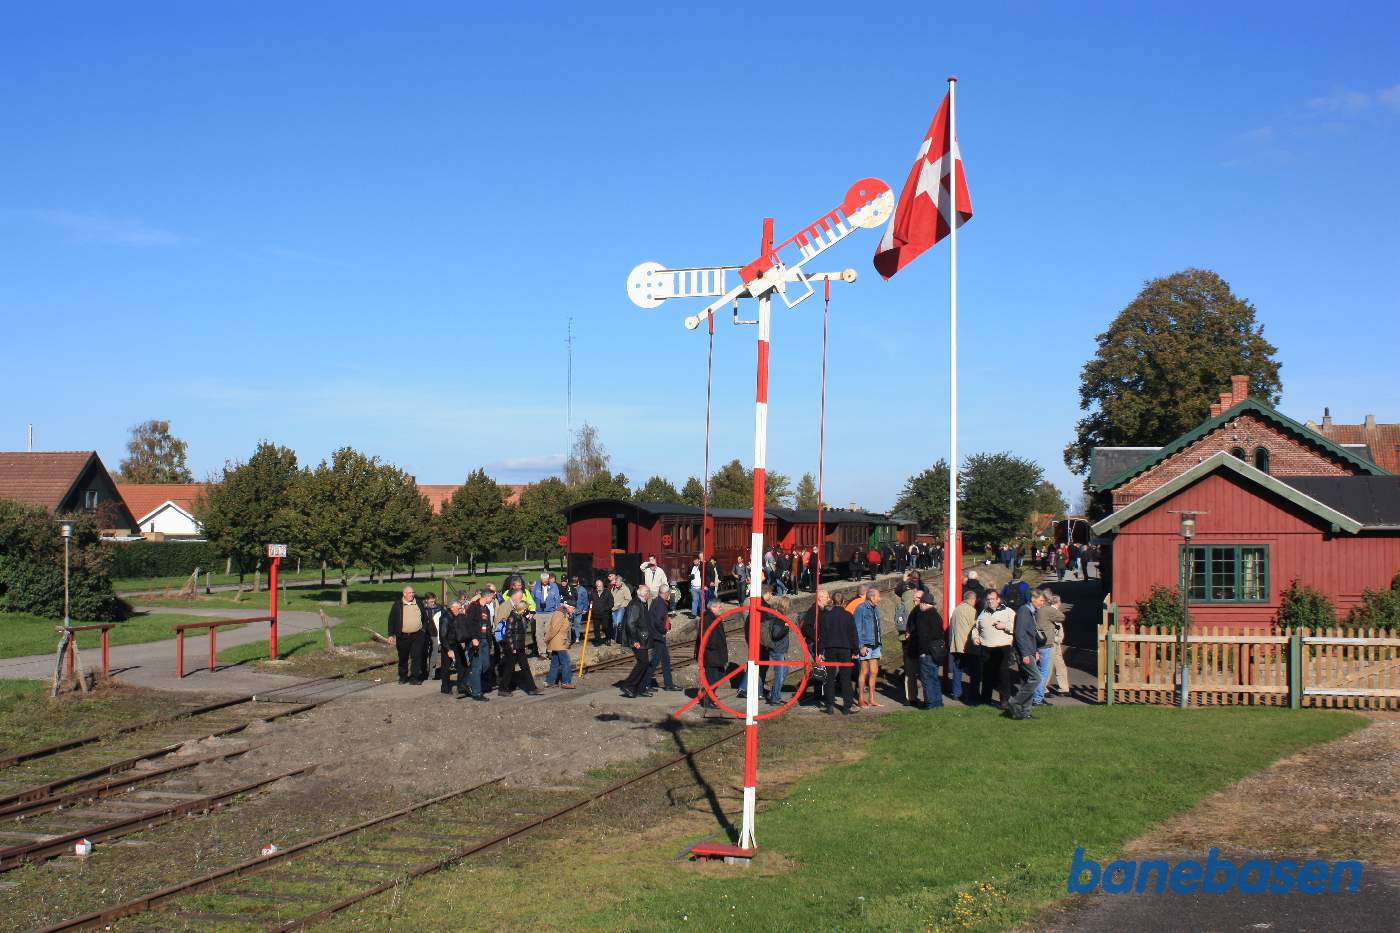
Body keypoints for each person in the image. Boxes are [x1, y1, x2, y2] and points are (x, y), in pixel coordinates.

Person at [814, 589, 857, 714]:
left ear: (832, 601)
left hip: (830, 648)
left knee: (830, 677)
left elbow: (822, 634)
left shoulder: (826, 616)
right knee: (845, 678)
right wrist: (855, 650)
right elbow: (853, 634)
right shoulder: (848, 616)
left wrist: (821, 651)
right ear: (843, 602)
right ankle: (847, 706)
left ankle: (829, 705)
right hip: (845, 648)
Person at [1007, 590, 1045, 719]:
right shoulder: (1024, 611)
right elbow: (1019, 634)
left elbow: (1030, 635)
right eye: (1041, 600)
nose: (1042, 603)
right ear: (1033, 599)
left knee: (1026, 680)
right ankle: (1015, 702)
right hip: (1025, 652)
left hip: (1029, 651)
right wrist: (1025, 654)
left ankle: (1024, 712)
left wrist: (1035, 652)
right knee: (1036, 678)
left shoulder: (1030, 611)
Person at [495, 591, 541, 696]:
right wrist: (512, 647)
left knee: (525, 667)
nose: (526, 611)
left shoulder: (520, 617)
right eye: (525, 610)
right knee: (509, 668)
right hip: (512, 647)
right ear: (522, 609)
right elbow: (508, 633)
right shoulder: (512, 617)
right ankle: (503, 688)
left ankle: (532, 688)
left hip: (519, 646)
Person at [976, 589, 1016, 707]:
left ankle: (1005, 701)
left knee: (1003, 675)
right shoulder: (983, 612)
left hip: (1002, 647)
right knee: (987, 675)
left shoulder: (1008, 612)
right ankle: (985, 700)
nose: (990, 601)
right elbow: (976, 628)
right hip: (986, 648)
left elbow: (1018, 627)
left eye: (992, 599)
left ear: (998, 600)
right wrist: (975, 637)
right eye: (988, 599)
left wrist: (1005, 626)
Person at [910, 588, 945, 709]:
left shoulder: (924, 617)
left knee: (927, 679)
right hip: (936, 652)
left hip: (927, 652)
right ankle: (938, 702)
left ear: (924, 603)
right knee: (934, 678)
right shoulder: (936, 615)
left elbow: (923, 637)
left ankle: (930, 703)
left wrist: (923, 652)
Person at [387, 586, 428, 685]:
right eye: (409, 593)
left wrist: (423, 630)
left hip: (417, 635)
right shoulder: (397, 605)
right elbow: (391, 620)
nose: (412, 594)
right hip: (403, 636)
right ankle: (403, 676)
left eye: (413, 592)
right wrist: (391, 635)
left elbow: (425, 617)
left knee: (416, 657)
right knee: (403, 657)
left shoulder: (418, 603)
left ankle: (414, 677)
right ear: (404, 594)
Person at [456, 590, 492, 700]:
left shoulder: (486, 609)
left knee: (486, 665)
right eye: (492, 597)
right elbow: (469, 624)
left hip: (485, 639)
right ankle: (477, 693)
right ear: (487, 597)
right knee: (477, 666)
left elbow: (488, 625)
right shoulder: (474, 607)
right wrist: (473, 638)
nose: (492, 600)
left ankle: (466, 682)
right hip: (476, 640)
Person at [643, 583, 679, 692]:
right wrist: (664, 630)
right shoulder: (660, 604)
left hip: (657, 635)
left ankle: (668, 684)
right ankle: (645, 684)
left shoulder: (657, 602)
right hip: (658, 636)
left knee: (665, 660)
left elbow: (658, 619)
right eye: (668, 593)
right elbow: (658, 621)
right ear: (665, 593)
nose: (669, 595)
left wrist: (667, 625)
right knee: (655, 661)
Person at [620, 584, 654, 698]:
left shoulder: (642, 603)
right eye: (649, 592)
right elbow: (631, 624)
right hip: (638, 639)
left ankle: (640, 688)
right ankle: (629, 685)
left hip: (642, 637)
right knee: (643, 662)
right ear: (645, 594)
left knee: (644, 663)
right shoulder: (635, 605)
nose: (650, 594)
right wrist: (634, 640)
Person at [947, 588, 980, 703]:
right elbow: (975, 627)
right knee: (973, 670)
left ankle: (956, 693)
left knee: (957, 670)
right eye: (975, 599)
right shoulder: (971, 611)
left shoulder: (956, 610)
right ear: (971, 599)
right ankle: (973, 694)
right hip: (967, 645)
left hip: (956, 645)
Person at [1035, 588, 1068, 704]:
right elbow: (1061, 618)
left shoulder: (1045, 610)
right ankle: (1042, 690)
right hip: (1050, 641)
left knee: (1060, 664)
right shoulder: (1048, 610)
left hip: (1055, 642)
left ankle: (1064, 688)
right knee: (1047, 668)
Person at [853, 588, 884, 708]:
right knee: (864, 672)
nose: (879, 599)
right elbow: (857, 628)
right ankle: (861, 699)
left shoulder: (875, 609)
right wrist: (860, 646)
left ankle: (871, 698)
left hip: (875, 645)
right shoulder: (861, 609)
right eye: (878, 596)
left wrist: (880, 646)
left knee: (874, 671)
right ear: (871, 597)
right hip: (865, 645)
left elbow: (878, 628)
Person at [696, 603, 729, 709]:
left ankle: (708, 695)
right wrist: (714, 645)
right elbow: (705, 636)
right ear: (713, 607)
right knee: (712, 678)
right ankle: (707, 699)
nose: (721, 608)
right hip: (711, 654)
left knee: (719, 675)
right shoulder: (707, 618)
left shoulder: (714, 617)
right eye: (719, 607)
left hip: (716, 653)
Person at [765, 595, 792, 706]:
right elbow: (776, 634)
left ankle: (774, 693)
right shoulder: (778, 619)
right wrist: (786, 627)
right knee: (779, 674)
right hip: (777, 650)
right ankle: (775, 698)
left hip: (779, 650)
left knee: (785, 671)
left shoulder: (779, 617)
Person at [543, 600, 576, 689]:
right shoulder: (560, 613)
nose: (574, 611)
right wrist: (547, 638)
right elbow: (554, 628)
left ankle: (550, 682)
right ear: (569, 607)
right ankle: (566, 682)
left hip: (559, 641)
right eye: (573, 608)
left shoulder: (563, 613)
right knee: (566, 662)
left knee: (555, 662)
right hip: (558, 642)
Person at [531, 573, 561, 658]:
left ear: (548, 580)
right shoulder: (536, 586)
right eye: (543, 581)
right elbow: (533, 598)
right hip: (539, 613)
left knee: (549, 632)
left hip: (550, 612)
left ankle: (550, 650)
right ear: (541, 580)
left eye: (546, 581)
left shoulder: (554, 586)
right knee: (539, 633)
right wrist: (534, 610)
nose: (544, 583)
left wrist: (557, 611)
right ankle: (542, 652)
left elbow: (557, 599)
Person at [609, 574, 631, 641]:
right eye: (615, 582)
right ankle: (615, 638)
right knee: (614, 624)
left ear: (621, 582)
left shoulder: (625, 589)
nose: (616, 583)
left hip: (621, 608)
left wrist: (621, 604)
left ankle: (620, 639)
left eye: (617, 582)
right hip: (613, 608)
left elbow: (629, 599)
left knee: (619, 623)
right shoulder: (613, 588)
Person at [567, 576, 589, 646]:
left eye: (575, 585)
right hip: (571, 609)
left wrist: (585, 609)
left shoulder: (582, 590)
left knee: (577, 623)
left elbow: (585, 600)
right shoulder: (569, 589)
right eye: (573, 585)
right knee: (571, 624)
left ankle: (577, 637)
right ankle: (572, 637)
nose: (574, 586)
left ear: (578, 583)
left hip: (579, 609)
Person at [590, 577, 612, 645]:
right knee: (596, 629)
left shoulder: (607, 592)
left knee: (605, 627)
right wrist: (591, 608)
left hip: (604, 614)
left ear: (602, 585)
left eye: (600, 586)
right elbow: (591, 602)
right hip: (595, 614)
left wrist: (605, 609)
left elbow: (611, 603)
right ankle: (598, 641)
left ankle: (608, 639)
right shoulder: (593, 593)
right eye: (597, 586)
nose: (599, 587)